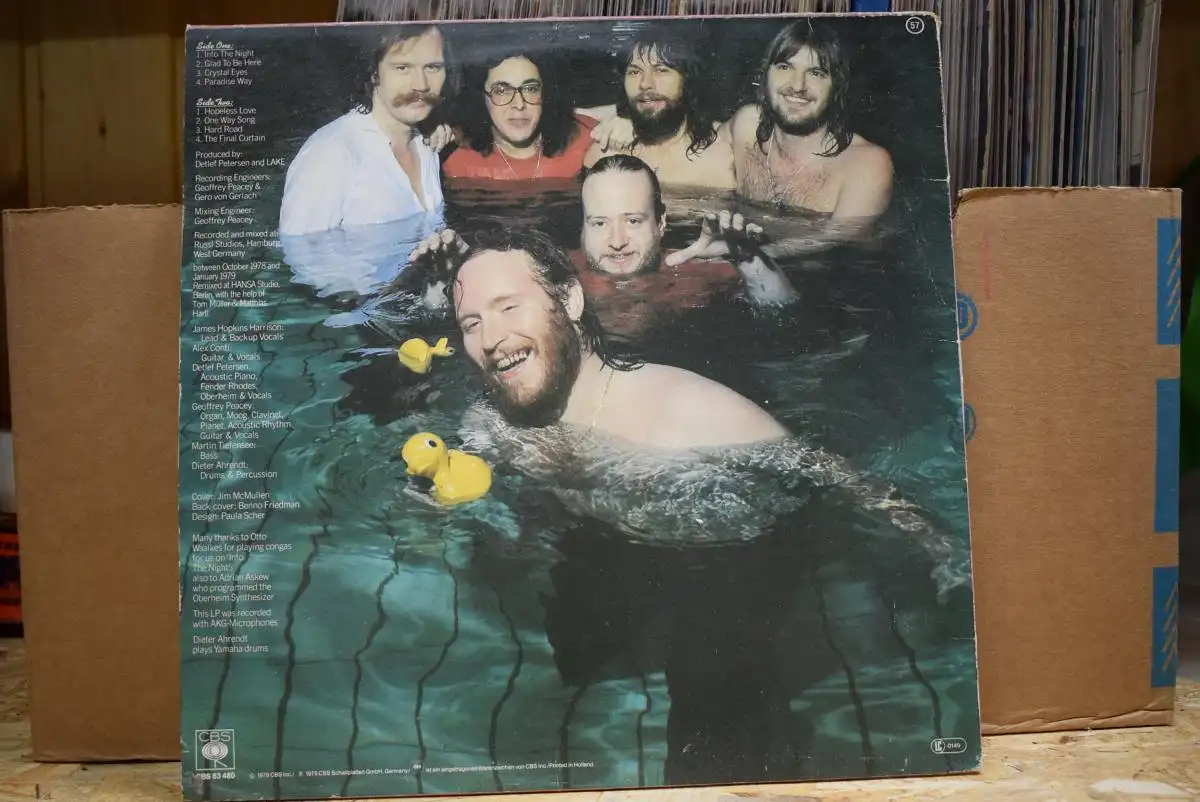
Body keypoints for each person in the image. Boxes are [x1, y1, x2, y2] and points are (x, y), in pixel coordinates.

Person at [431, 227, 788, 450]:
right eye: (471, 324)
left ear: (569, 300)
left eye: (509, 307)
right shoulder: (490, 423)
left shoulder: (694, 414)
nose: (490, 339)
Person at [278, 25, 456, 236]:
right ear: (374, 73)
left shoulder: (427, 144)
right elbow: (301, 252)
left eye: (432, 67)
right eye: (402, 68)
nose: (421, 85)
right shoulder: (329, 154)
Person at [729, 19, 894, 230]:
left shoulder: (866, 163)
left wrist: (740, 247)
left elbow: (833, 241)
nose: (798, 86)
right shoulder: (746, 127)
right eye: (785, 67)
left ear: (837, 86)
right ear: (765, 75)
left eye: (816, 73)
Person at [578, 155, 797, 308]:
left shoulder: (693, 276)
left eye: (633, 221)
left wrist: (746, 256)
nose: (617, 242)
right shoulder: (563, 275)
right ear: (584, 227)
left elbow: (780, 308)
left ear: (661, 223)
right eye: (599, 223)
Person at [583, 31, 735, 189]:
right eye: (634, 72)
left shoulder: (724, 154)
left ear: (686, 79)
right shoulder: (605, 155)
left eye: (661, 70)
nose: (645, 84)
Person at [442, 51, 597, 181]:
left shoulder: (587, 140)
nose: (519, 104)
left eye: (530, 89)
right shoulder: (458, 161)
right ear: (482, 98)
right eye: (501, 91)